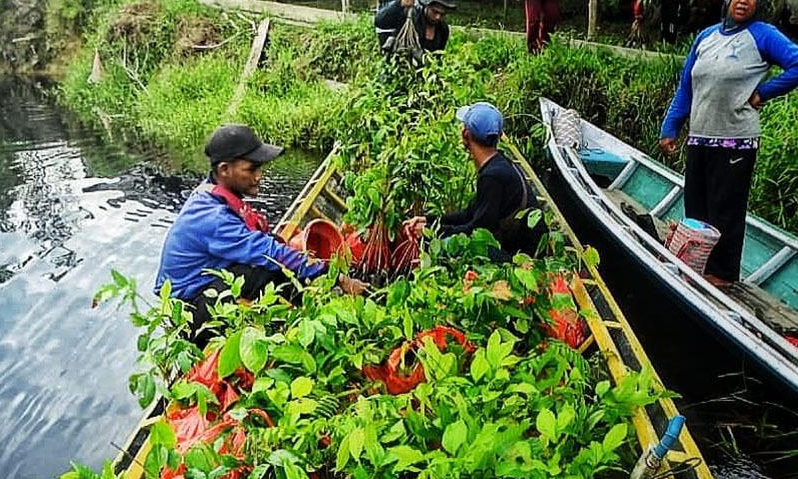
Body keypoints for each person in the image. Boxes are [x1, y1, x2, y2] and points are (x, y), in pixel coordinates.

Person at [659, 0, 798, 287]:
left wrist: (763, 93)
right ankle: (696, 265)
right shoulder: (706, 37)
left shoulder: (763, 35)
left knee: (725, 210)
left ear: (760, 2)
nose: (744, 0)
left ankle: (723, 274)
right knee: (696, 207)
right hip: (700, 137)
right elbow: (687, 86)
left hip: (735, 141)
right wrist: (670, 125)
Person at [154, 124, 363, 344]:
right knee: (266, 270)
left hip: (204, 286)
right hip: (189, 311)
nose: (258, 176)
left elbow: (265, 243)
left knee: (274, 246)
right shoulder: (212, 218)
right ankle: (308, 321)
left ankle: (306, 308)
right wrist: (336, 277)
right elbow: (269, 254)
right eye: (251, 169)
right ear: (224, 169)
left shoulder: (211, 191)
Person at [404, 103, 545, 259]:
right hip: (519, 248)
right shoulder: (499, 163)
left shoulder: (492, 177)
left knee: (449, 248)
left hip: (522, 258)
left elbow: (477, 231)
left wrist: (431, 232)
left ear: (465, 134)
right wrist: (428, 220)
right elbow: (469, 214)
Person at [374, 0, 456, 60]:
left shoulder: (443, 29)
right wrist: (400, 4)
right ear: (427, 6)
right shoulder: (411, 17)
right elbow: (380, 21)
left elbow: (438, 57)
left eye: (442, 14)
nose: (438, 17)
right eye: (435, 12)